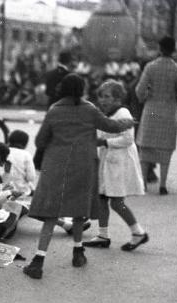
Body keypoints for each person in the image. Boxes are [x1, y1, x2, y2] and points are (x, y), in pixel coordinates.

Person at [23, 74, 135, 279]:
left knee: (51, 213)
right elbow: (111, 125)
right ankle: (78, 253)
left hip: (57, 165)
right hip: (84, 165)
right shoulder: (90, 109)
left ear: (61, 90)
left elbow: (40, 141)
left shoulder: (54, 110)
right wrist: (128, 122)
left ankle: (38, 261)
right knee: (78, 210)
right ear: (82, 90)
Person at [82, 80, 148, 251]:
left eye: (107, 97)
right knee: (102, 198)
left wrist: (104, 142)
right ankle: (103, 235)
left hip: (120, 162)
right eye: (100, 97)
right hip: (108, 161)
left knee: (117, 202)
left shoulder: (123, 112)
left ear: (118, 98)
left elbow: (128, 139)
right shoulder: (106, 113)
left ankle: (138, 232)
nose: (102, 100)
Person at [135, 36, 177, 195]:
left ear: (159, 48)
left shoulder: (150, 67)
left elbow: (139, 91)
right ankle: (163, 185)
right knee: (165, 150)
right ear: (174, 49)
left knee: (146, 149)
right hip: (169, 113)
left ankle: (143, 183)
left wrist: (145, 98)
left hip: (151, 111)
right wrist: (173, 99)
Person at [3, 130, 36, 196]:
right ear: (25, 143)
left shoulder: (4, 151)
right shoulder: (26, 155)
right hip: (21, 191)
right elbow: (31, 177)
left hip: (3, 188)